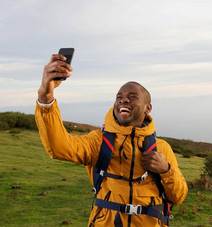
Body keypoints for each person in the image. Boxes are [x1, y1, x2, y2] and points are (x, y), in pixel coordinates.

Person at [35, 54, 188, 227]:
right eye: (119, 97)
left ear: (148, 108)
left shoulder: (161, 148)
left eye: (132, 97)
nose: (123, 100)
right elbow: (59, 148)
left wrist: (166, 169)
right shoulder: (98, 141)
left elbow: (178, 196)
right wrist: (45, 96)